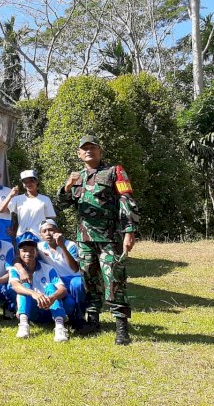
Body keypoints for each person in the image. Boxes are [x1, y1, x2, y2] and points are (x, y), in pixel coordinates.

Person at [55, 134, 140, 345]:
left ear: (100, 151)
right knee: (89, 280)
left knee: (114, 280)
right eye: (84, 148)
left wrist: (130, 230)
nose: (88, 151)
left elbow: (127, 199)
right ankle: (93, 320)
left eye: (93, 147)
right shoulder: (77, 177)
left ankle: (122, 328)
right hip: (84, 239)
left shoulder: (114, 172)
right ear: (79, 153)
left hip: (109, 238)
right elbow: (64, 204)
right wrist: (67, 187)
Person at [8, 233, 70, 342]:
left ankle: (60, 326)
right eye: (24, 250)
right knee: (24, 287)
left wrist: (52, 297)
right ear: (19, 253)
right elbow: (16, 286)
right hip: (31, 310)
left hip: (49, 308)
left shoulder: (48, 268)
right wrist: (34, 294)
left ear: (36, 253)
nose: (28, 253)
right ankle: (23, 324)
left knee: (51, 287)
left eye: (32, 250)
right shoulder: (15, 270)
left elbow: (62, 289)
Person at [37, 219, 86, 329]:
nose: (48, 233)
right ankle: (61, 317)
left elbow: (74, 268)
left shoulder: (70, 245)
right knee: (68, 304)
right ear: (41, 235)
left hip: (73, 279)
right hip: (57, 282)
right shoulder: (40, 247)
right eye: (44, 231)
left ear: (58, 231)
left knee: (78, 284)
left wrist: (62, 246)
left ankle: (79, 317)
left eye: (51, 230)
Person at [0, 169, 56, 237]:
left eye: (31, 181)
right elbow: (2, 210)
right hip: (21, 236)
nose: (28, 184)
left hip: (40, 236)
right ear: (23, 184)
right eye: (25, 182)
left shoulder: (45, 199)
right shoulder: (17, 199)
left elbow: (49, 220)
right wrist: (11, 195)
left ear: (37, 181)